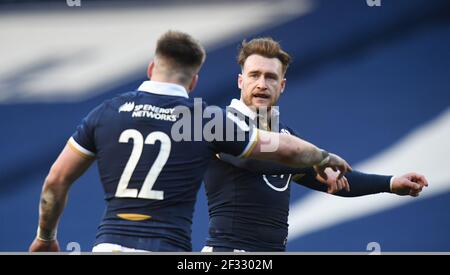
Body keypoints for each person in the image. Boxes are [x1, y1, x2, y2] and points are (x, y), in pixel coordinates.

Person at [28, 31, 352, 252]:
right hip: (170, 247)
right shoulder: (201, 120)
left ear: (151, 67)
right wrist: (322, 157)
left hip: (109, 244)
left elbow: (56, 180)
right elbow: (283, 148)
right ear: (194, 80)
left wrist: (45, 237)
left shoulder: (107, 112)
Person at [202, 37, 429, 252]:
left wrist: (390, 183)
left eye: (270, 77)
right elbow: (252, 160)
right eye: (254, 75)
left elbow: (335, 178)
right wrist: (312, 161)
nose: (261, 84)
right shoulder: (222, 123)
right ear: (241, 81)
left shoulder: (286, 136)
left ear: (282, 85)